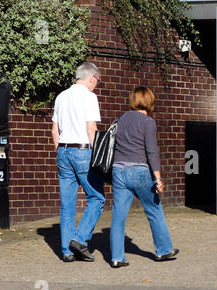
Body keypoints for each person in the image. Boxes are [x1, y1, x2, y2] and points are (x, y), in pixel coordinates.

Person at [108, 86, 178, 267]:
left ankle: (117, 258)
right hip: (139, 171)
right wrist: (158, 178)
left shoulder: (120, 119)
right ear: (149, 101)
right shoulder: (148, 122)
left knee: (118, 216)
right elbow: (151, 152)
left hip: (118, 171)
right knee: (154, 211)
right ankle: (163, 250)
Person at [52, 62, 103, 262]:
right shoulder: (90, 97)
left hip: (63, 151)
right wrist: (97, 156)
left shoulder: (61, 96)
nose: (96, 85)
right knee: (96, 197)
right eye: (96, 81)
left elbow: (54, 131)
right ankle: (80, 239)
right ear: (92, 78)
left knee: (67, 205)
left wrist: (61, 151)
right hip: (83, 151)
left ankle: (66, 251)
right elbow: (91, 129)